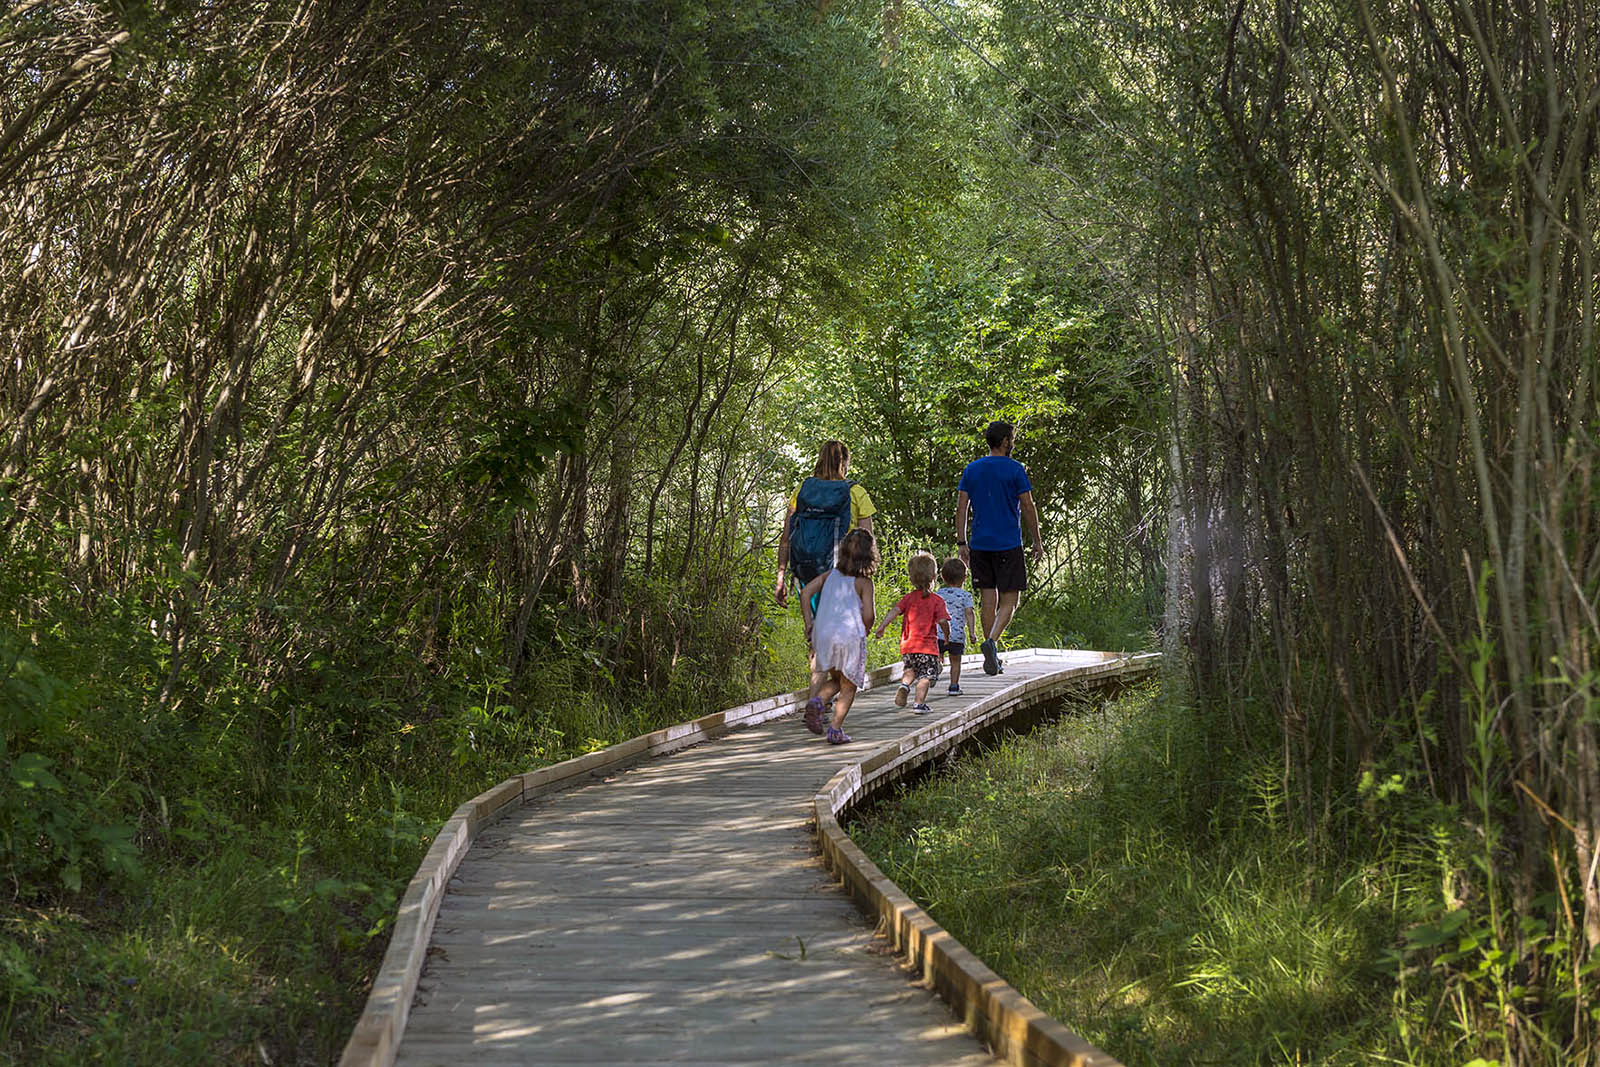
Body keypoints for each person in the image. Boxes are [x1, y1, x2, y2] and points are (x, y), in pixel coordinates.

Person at [955, 420, 1044, 676]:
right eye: (1011, 438)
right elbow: (1028, 506)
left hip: (980, 544)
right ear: (1005, 441)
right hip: (1008, 544)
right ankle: (991, 643)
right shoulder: (1015, 469)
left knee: (987, 599)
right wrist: (1037, 541)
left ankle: (989, 655)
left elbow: (962, 507)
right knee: (1010, 601)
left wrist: (962, 542)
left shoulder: (972, 469)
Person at [798, 528, 879, 745]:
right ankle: (835, 729)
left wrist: (809, 623)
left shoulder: (829, 576)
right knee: (848, 685)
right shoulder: (864, 583)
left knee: (836, 679)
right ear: (869, 556)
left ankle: (817, 701)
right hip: (849, 636)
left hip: (824, 635)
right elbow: (869, 614)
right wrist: (867, 628)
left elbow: (805, 593)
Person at [774, 440, 875, 606]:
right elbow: (867, 546)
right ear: (845, 463)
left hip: (807, 573)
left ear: (820, 460)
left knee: (815, 627)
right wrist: (865, 587)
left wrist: (780, 577)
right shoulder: (856, 493)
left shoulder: (803, 490)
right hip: (844, 577)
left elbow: (786, 538)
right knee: (841, 629)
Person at [872, 550, 949, 714]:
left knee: (910, 670)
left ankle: (904, 686)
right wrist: (947, 637)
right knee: (925, 676)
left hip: (908, 645)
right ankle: (919, 704)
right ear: (934, 577)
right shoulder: (937, 601)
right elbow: (943, 621)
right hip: (927, 647)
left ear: (911, 578)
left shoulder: (908, 598)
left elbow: (894, 611)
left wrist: (882, 626)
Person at [936, 557, 977, 696]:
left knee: (937, 654)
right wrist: (972, 633)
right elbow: (969, 613)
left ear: (943, 577)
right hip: (956, 635)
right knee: (955, 661)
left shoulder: (938, 594)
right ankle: (953, 687)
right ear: (965, 577)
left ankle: (935, 668)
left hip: (939, 633)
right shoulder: (966, 596)